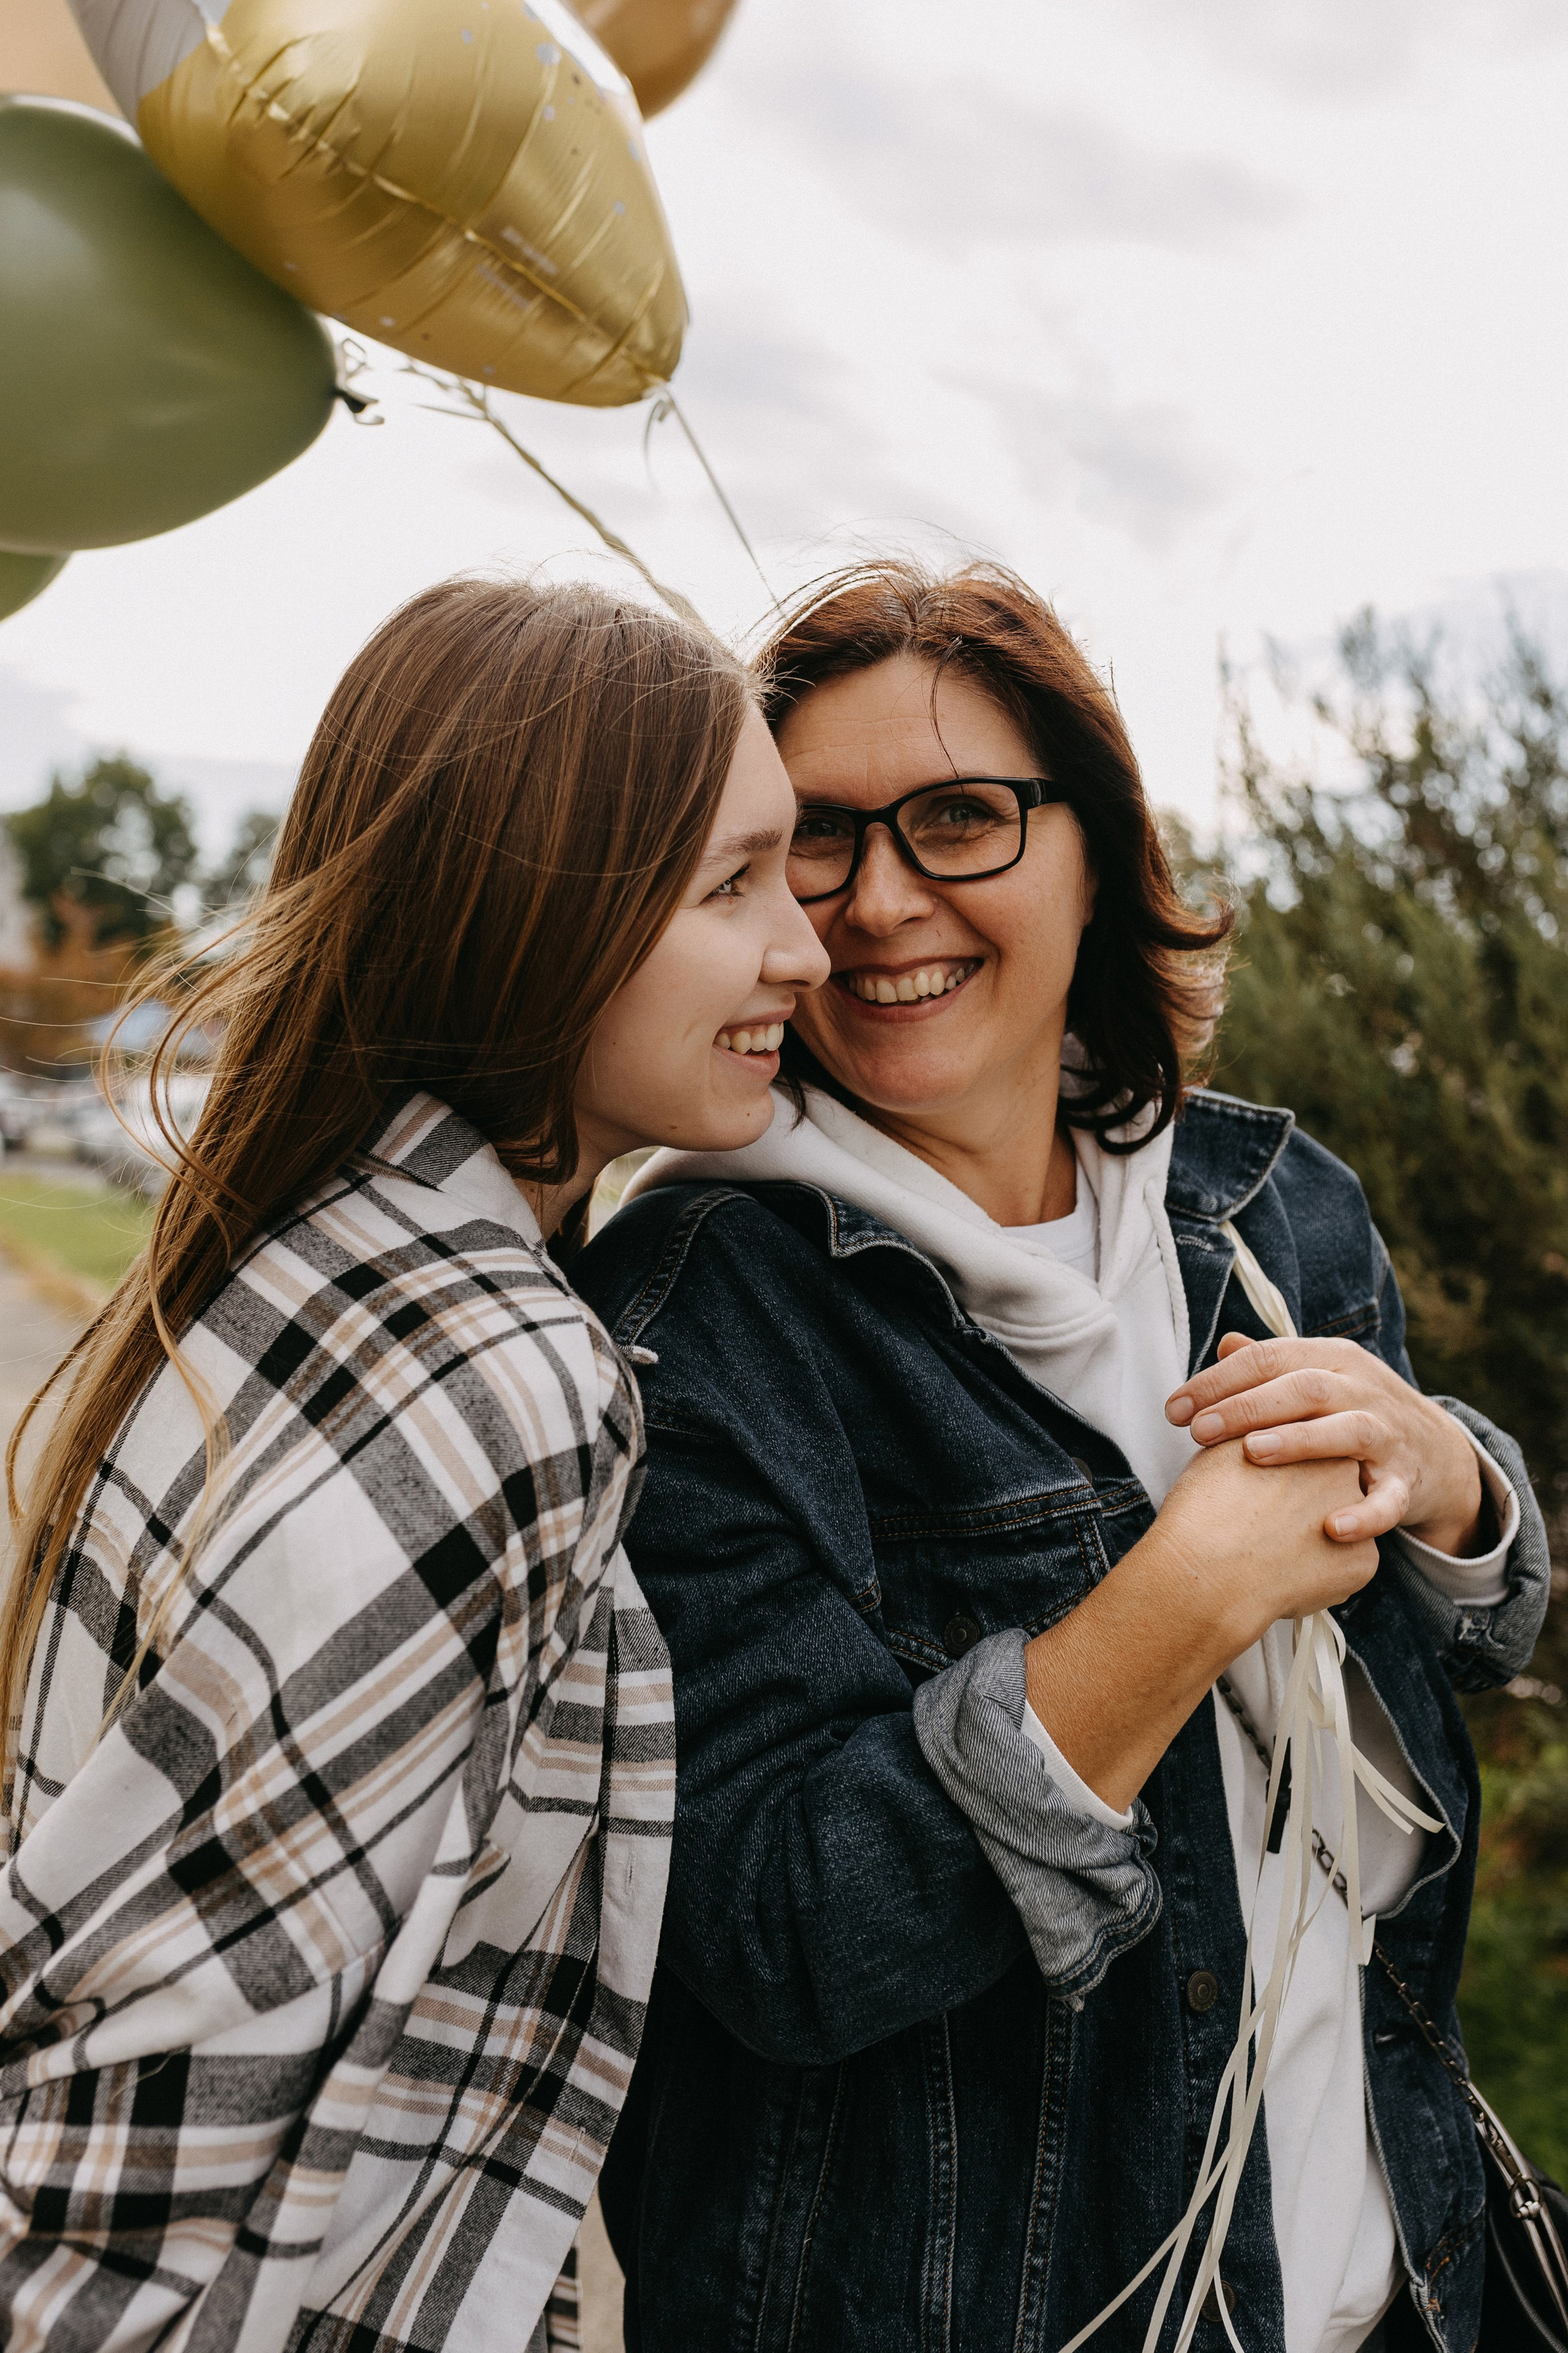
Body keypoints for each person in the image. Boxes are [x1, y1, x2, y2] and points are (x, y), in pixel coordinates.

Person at [575, 561, 1551, 2353]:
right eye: (817, 838)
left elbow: (1474, 1637)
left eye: (961, 818)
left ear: (1095, 849)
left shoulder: (1262, 1204)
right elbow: (787, 1927)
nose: (879, 903)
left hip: (1400, 2280)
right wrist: (1184, 1592)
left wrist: (1455, 1478)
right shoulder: (691, 1315)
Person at [0, 576, 828, 2353]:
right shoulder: (492, 1374)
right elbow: (157, 2110)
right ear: (542, 911)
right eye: (732, 884)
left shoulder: (300, 1254)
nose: (808, 952)